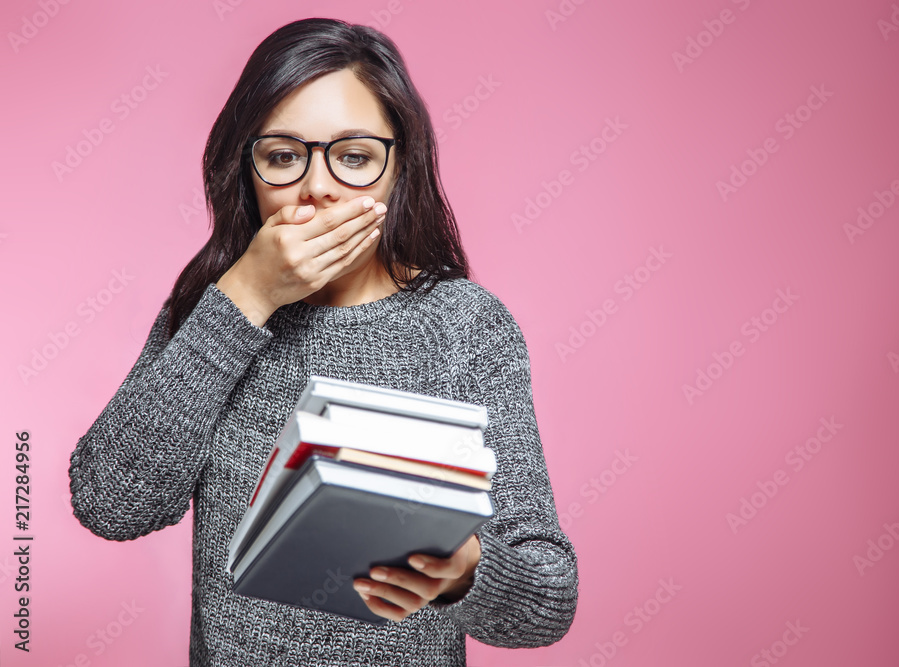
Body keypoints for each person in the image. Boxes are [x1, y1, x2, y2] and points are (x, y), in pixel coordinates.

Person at [67, 16, 578, 667]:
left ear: (401, 169)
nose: (318, 186)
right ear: (245, 171)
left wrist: (466, 570)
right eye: (283, 156)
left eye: (355, 156)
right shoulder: (211, 306)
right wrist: (245, 297)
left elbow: (550, 599)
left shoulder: (465, 324)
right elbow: (110, 502)